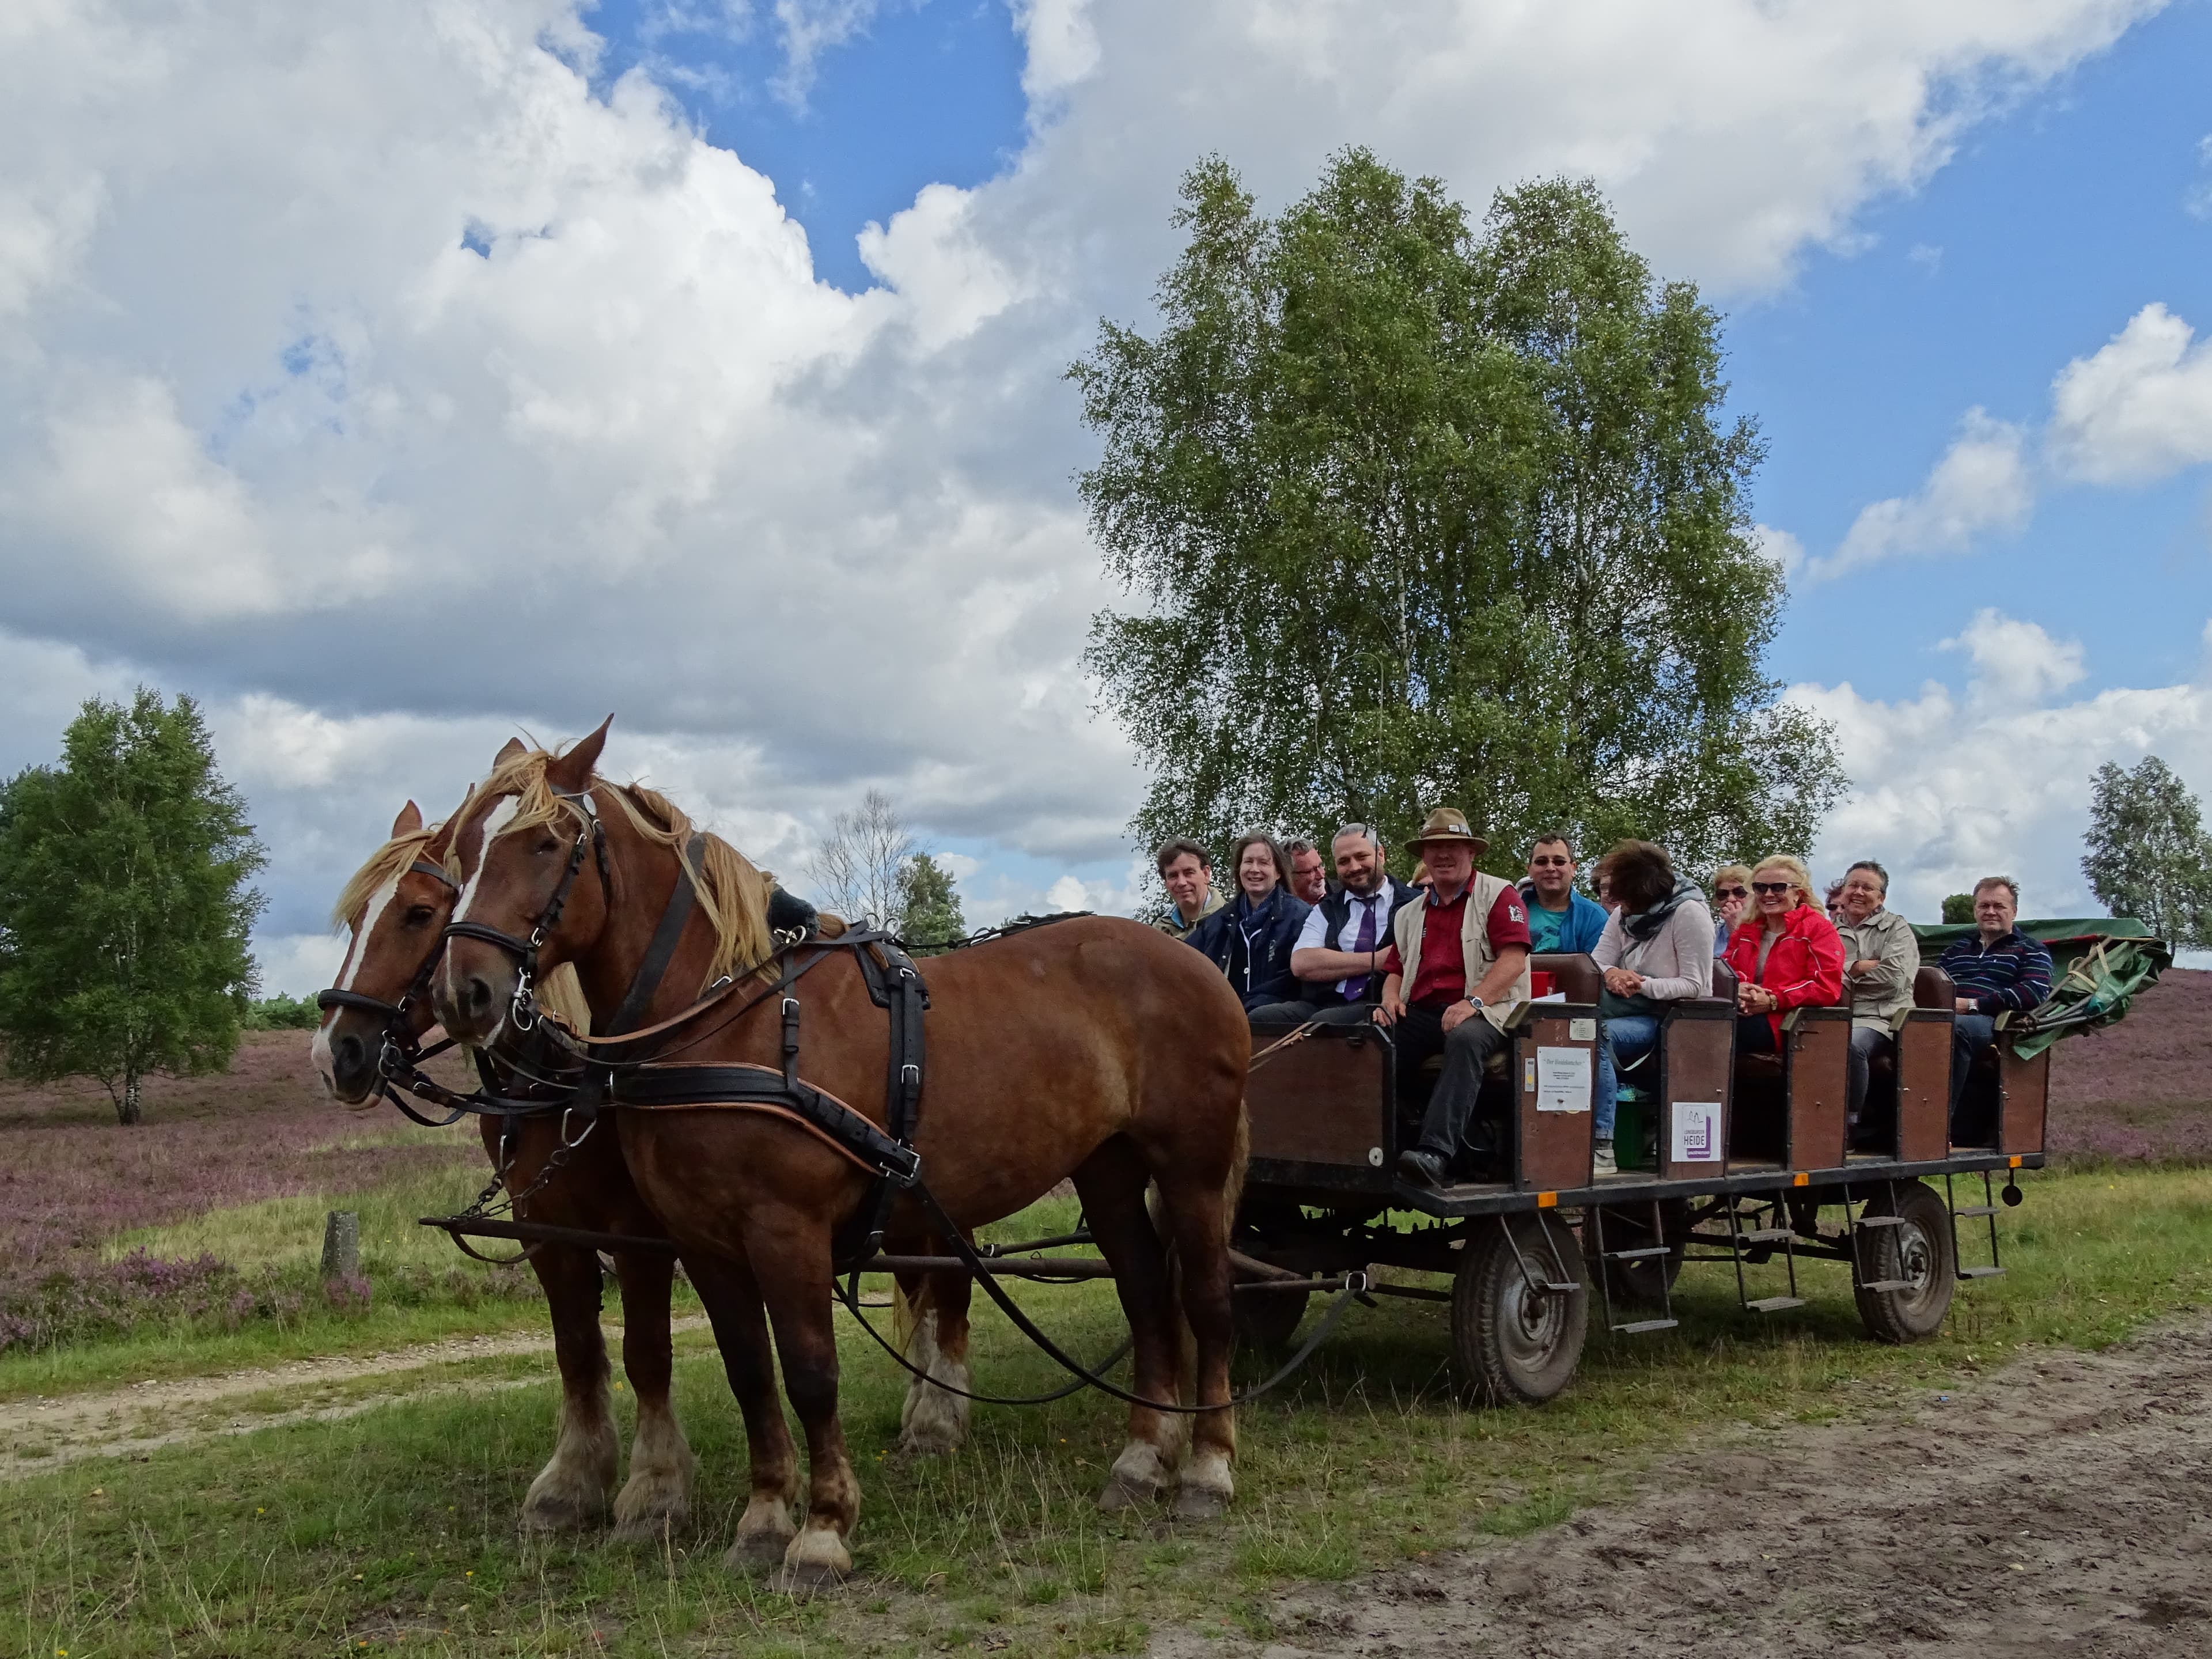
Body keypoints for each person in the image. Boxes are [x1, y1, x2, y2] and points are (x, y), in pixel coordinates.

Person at [1369, 808, 1532, 1188]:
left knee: (1464, 1039)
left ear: (1471, 853)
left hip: (1492, 1011)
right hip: (1425, 1012)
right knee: (1374, 1044)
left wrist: (1472, 1002)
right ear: (1423, 857)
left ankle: (1434, 1154)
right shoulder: (1409, 912)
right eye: (1434, 847)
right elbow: (1395, 967)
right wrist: (1390, 998)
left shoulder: (1500, 894)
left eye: (1453, 846)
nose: (1443, 855)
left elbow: (1513, 962)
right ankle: (1380, 1147)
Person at [1590, 842, 1714, 1176]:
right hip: (1624, 1008)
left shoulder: (1689, 913)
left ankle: (1602, 1145)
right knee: (1572, 1028)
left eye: (1628, 901)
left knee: (1593, 1034)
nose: (1622, 909)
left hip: (1667, 1019)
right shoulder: (1623, 913)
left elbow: (1696, 986)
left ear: (1645, 891)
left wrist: (1642, 984)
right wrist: (1613, 974)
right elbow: (1597, 963)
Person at [1938, 876, 2053, 1134]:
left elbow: (2032, 993)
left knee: (1957, 1030)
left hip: (1994, 1024)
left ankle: (1940, 1126)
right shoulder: (1956, 950)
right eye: (1984, 906)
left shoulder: (2032, 950)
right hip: (1943, 1015)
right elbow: (1934, 983)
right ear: (1975, 911)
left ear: (2014, 911)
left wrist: (1972, 1005)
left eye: (1999, 906)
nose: (1991, 912)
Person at [1276, 823, 1421, 1024]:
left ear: (1380, 854)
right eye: (1344, 861)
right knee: (1262, 1019)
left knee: (1326, 1023)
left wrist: (1335, 961)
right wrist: (1378, 960)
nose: (1354, 867)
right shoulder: (1327, 909)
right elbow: (1302, 963)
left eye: (1361, 857)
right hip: (1322, 1001)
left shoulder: (1415, 904)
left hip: (1379, 1004)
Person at [1724, 855, 1844, 1063]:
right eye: (1761, 888)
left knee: (1715, 1033)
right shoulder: (1745, 930)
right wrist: (1740, 988)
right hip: (1743, 1012)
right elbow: (1726, 971)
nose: (1768, 894)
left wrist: (1772, 1000)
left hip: (1789, 1021)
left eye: (1778, 887)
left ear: (1798, 894)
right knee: (1686, 1025)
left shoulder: (1819, 929)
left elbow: (1825, 986)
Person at [1831, 860, 1919, 1148]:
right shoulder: (1827, 930)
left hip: (1883, 1018)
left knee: (1850, 1044)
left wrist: (1840, 976)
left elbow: (1894, 978)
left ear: (1881, 897)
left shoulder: (1897, 929)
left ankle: (1848, 1127)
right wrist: (1857, 968)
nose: (1858, 892)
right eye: (1852, 885)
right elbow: (1814, 973)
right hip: (1833, 1013)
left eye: (1867, 888)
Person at [1188, 832, 1314, 1018]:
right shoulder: (1218, 922)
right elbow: (1183, 958)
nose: (1255, 869)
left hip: (1274, 1023)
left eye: (1264, 863)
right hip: (1222, 1020)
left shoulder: (1300, 916)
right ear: (1239, 869)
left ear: (1278, 872)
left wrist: (1245, 1005)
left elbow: (1293, 980)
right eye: (1248, 862)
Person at [1519, 833, 1609, 956]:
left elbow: (1596, 970)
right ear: (1529, 869)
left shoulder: (1594, 917)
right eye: (1541, 862)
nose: (1550, 868)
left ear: (1573, 869)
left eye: (1559, 862)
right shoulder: (1513, 912)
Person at [1153, 838, 1226, 942]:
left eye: (1189, 873)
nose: (1182, 883)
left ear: (1206, 874)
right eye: (1173, 876)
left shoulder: (1232, 924)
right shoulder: (1157, 933)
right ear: (1166, 883)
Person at [1710, 864, 1753, 957]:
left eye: (1739, 892)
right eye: (1723, 894)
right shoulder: (1712, 935)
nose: (1730, 899)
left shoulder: (1768, 930)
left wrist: (1736, 929)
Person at [1285, 838, 1329, 906]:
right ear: (1289, 876)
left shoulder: (1342, 894)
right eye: (1310, 871)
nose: (1321, 876)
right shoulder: (1275, 908)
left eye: (1320, 866)